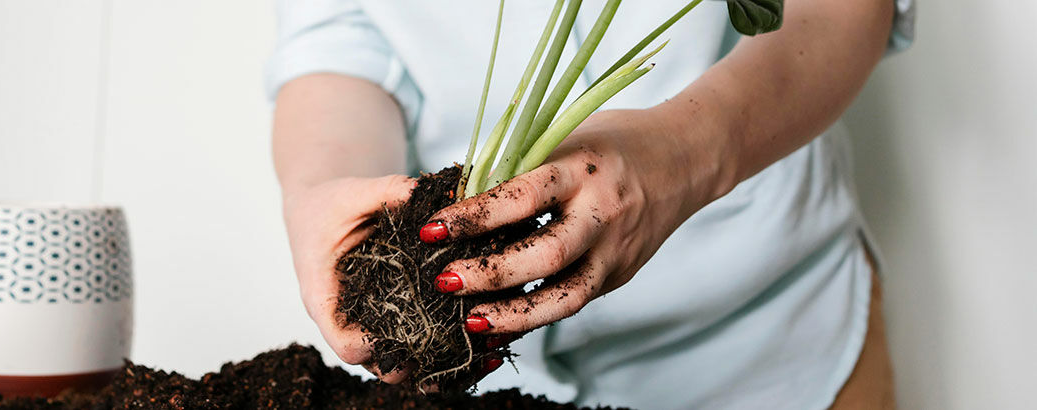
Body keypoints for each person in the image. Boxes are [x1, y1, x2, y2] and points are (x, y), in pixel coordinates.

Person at [266, 0, 914, 408]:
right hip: (494, 379)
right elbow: (339, 44)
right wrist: (321, 193)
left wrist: (691, 150)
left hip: (777, 339)